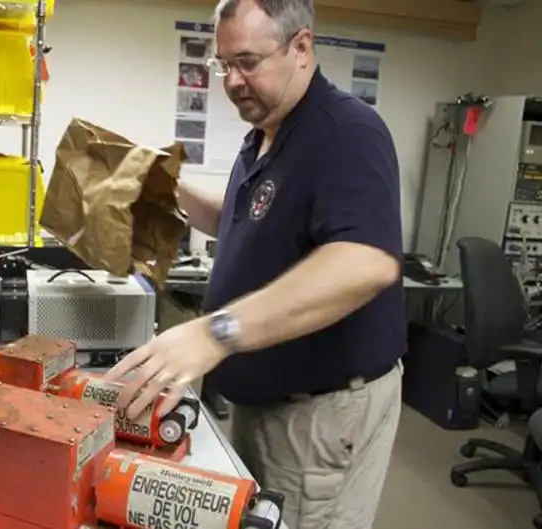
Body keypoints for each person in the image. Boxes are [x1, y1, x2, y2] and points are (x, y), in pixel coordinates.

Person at [104, 0, 405, 527]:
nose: (233, 81)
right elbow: (242, 219)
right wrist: (165, 188)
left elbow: (366, 261)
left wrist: (215, 333)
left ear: (302, 48)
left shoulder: (345, 132)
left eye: (248, 62)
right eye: (224, 65)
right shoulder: (265, 133)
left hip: (317, 413)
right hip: (263, 398)